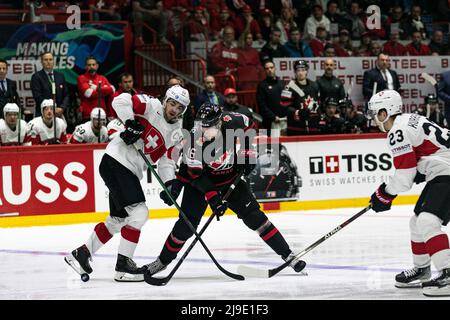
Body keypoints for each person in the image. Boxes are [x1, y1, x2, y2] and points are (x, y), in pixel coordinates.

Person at [143, 103, 307, 277]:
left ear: (219, 122)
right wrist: (213, 198)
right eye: (201, 125)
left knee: (256, 218)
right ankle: (162, 261)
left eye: (208, 126)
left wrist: (247, 154)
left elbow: (250, 126)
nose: (203, 130)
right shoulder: (194, 140)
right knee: (186, 226)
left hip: (230, 180)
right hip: (198, 184)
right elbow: (196, 175)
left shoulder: (233, 120)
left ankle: (288, 255)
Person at [64, 85, 190, 282]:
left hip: (127, 169)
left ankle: (82, 253)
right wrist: (130, 122)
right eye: (172, 103)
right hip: (116, 161)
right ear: (165, 100)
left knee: (118, 220)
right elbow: (120, 100)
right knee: (140, 213)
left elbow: (167, 160)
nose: (174, 109)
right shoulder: (151, 105)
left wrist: (170, 183)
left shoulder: (177, 132)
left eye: (179, 107)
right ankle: (123, 266)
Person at [368, 89, 450, 297]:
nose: (373, 118)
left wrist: (384, 194)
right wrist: (421, 168)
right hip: (442, 169)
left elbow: (404, 178)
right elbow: (425, 153)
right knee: (417, 222)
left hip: (447, 170)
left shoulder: (396, 131)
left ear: (385, 112)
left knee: (427, 221)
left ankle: (448, 274)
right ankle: (422, 269)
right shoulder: (410, 119)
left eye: (375, 113)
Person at [280, 59, 320, 136]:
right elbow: (284, 108)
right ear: (295, 72)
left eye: (303, 70)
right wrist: (298, 112)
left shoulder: (314, 86)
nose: (301, 73)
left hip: (313, 128)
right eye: (298, 70)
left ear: (306, 71)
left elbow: (318, 105)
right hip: (295, 129)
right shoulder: (288, 88)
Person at [30, 52, 68, 118]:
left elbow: (66, 94)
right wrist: (51, 108)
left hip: (59, 113)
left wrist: (62, 108)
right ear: (41, 62)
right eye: (46, 60)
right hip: (43, 114)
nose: (48, 62)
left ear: (53, 61)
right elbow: (37, 96)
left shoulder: (60, 76)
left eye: (50, 59)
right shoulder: (36, 77)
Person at [77, 56, 115, 121]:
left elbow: (112, 90)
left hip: (103, 114)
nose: (91, 66)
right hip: (88, 115)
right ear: (85, 67)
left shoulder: (102, 78)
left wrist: (96, 88)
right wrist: (104, 90)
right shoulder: (81, 78)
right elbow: (88, 94)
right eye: (89, 65)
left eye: (93, 65)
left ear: (97, 66)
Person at [256, 60, 286, 135]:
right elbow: (262, 105)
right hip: (269, 122)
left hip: (283, 120)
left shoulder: (282, 83)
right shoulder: (262, 86)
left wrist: (286, 115)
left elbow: (287, 101)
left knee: (286, 143)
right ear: (265, 71)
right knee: (273, 145)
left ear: (275, 68)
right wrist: (273, 117)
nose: (269, 70)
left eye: (271, 67)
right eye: (267, 68)